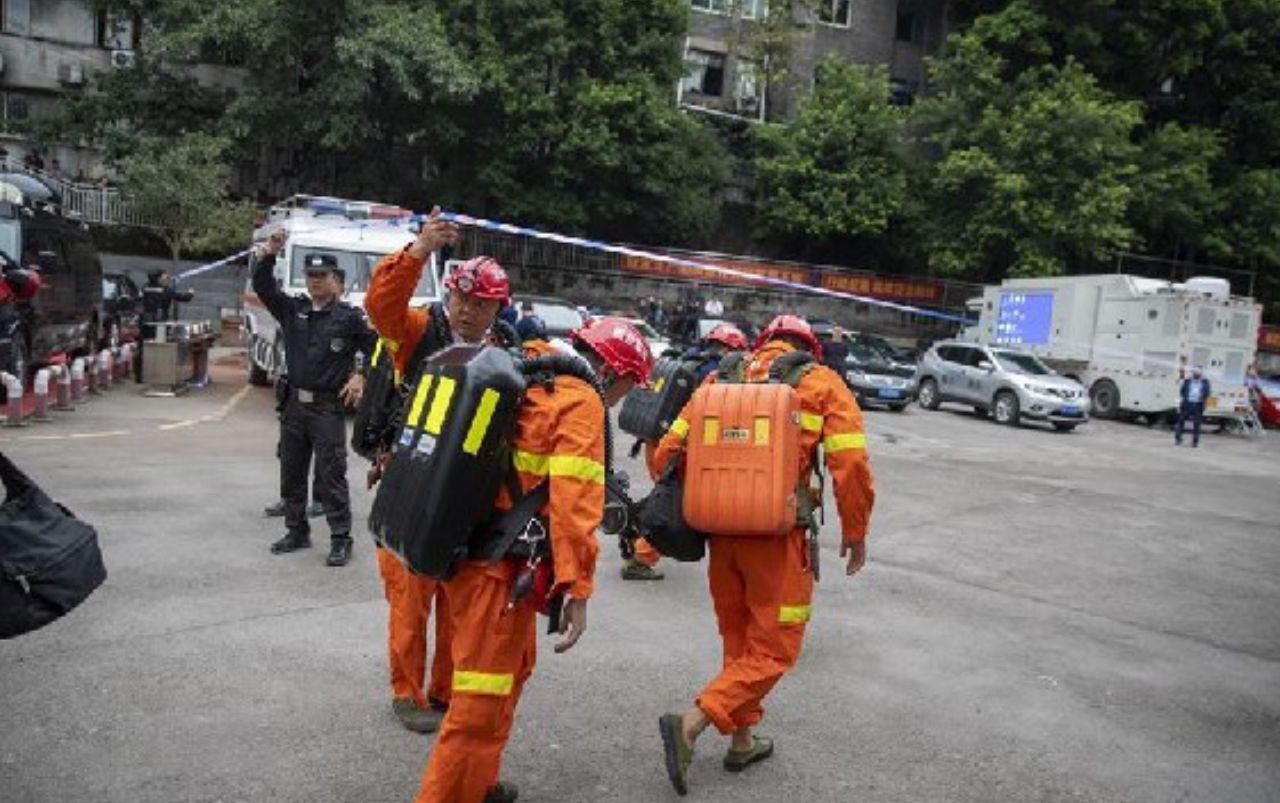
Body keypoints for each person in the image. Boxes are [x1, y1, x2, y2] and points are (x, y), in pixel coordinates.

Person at [652, 313, 875, 796]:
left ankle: (743, 741)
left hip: (721, 536)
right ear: (807, 347)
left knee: (740, 640)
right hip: (778, 541)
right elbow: (850, 464)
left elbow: (664, 454)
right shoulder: (821, 383)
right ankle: (693, 721)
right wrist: (856, 532)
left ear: (764, 342)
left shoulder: (720, 377)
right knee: (775, 649)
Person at [364, 211, 513, 734]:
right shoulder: (419, 332)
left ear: (498, 306)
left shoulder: (507, 354)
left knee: (457, 604)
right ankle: (407, 692)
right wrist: (418, 251)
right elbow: (381, 307)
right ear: (449, 296)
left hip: (464, 496)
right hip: (410, 483)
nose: (468, 310)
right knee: (409, 602)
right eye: (461, 299)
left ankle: (444, 690)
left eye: (481, 303)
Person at [252, 234, 371, 566]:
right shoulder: (294, 310)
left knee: (332, 474)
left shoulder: (349, 317)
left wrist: (362, 374)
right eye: (311, 277)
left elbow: (378, 349)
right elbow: (263, 287)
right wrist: (269, 254)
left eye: (323, 277)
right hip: (294, 405)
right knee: (291, 473)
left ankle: (340, 538)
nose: (316, 282)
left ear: (336, 282)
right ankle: (296, 530)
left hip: (327, 407)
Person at [620, 322, 750, 582]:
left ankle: (633, 532)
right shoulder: (713, 374)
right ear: (730, 349)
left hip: (655, 440)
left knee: (663, 498)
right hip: (674, 448)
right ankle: (640, 558)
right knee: (672, 507)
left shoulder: (687, 360)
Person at [134, 270, 196, 382]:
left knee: (143, 348)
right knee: (160, 348)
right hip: (160, 324)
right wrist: (191, 293)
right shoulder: (165, 290)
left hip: (145, 322)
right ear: (158, 278)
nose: (167, 278)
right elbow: (182, 297)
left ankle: (140, 376)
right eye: (164, 277)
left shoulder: (145, 288)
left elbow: (138, 301)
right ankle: (157, 374)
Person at [1175, 366, 1210, 447]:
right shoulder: (1187, 381)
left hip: (1198, 404)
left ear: (1201, 373)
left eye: (1198, 372)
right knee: (1181, 421)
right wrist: (1186, 399)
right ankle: (1178, 439)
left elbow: (1207, 393)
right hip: (1187, 404)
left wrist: (1202, 398)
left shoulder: (1205, 382)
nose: (1196, 373)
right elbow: (1182, 391)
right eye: (1195, 372)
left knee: (1197, 424)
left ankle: (1195, 442)